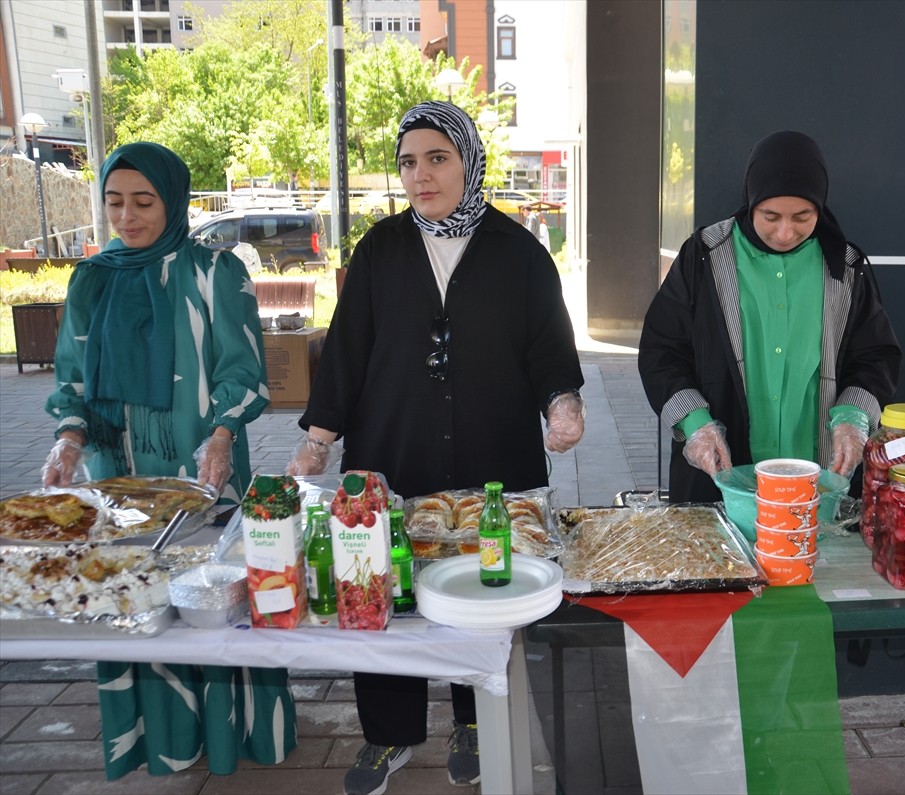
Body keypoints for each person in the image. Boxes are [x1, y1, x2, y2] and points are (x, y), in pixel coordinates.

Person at [287, 101, 585, 795]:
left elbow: (551, 351)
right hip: (392, 452)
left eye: (437, 158)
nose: (420, 176)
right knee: (380, 586)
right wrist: (317, 440)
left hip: (493, 455)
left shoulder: (520, 253)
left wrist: (564, 404)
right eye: (407, 163)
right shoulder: (380, 249)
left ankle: (475, 715)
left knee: (484, 585)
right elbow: (347, 352)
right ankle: (387, 733)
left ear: (469, 161)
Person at [41, 141, 296, 778]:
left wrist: (222, 434)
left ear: (174, 200)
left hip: (200, 464)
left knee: (213, 597)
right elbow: (72, 374)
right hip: (115, 470)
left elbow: (243, 370)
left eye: (144, 202)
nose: (127, 217)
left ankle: (233, 731)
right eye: (114, 201)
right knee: (135, 596)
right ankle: (161, 736)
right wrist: (69, 439)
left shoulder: (214, 271)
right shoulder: (92, 277)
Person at [638, 130, 901, 503]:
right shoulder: (705, 256)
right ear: (751, 201)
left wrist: (854, 420)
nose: (784, 232)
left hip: (817, 480)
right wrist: (695, 426)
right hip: (719, 477)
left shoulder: (846, 267)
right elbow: (661, 351)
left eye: (803, 216)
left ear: (821, 207)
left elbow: (875, 356)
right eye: (770, 216)